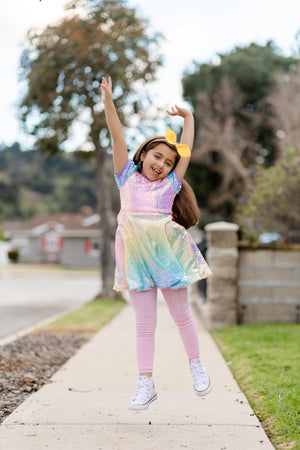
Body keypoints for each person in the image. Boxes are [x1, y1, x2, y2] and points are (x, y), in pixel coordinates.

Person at [101, 76, 212, 411]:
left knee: (182, 316)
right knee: (144, 325)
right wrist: (108, 99)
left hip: (166, 256)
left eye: (168, 162)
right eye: (157, 157)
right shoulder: (125, 175)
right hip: (135, 258)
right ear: (145, 152)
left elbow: (187, 148)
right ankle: (145, 382)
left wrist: (188, 118)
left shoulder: (171, 184)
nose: (161, 165)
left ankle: (195, 364)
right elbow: (116, 133)